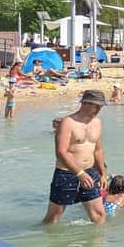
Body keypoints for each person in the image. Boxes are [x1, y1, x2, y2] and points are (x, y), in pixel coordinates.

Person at [43, 90, 109, 224]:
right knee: (53, 217)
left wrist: (103, 173)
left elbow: (98, 150)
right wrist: (79, 173)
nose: (98, 109)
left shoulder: (97, 123)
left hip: (90, 172)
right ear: (84, 103)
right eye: (95, 106)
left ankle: (96, 244)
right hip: (67, 174)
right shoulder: (68, 122)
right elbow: (61, 152)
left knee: (99, 215)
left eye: (100, 106)